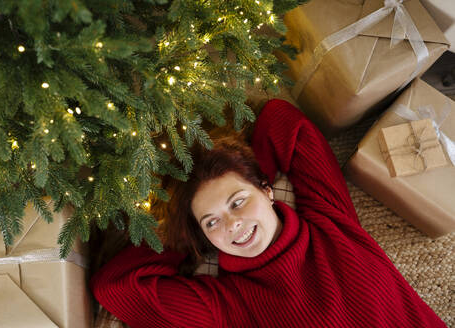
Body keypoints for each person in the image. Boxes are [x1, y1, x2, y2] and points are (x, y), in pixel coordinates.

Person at [90, 99, 446, 327]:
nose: (234, 225)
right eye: (212, 221)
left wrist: (233, 167)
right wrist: (184, 233)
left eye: (237, 201)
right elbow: (117, 287)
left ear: (267, 189)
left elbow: (282, 120)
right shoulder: (227, 306)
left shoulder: (329, 221)